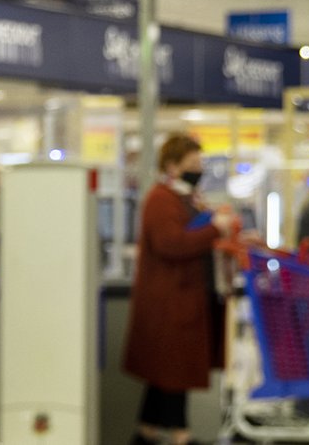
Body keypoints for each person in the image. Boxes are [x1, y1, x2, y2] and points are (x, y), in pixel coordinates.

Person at [124, 134, 239, 445]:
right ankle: (180, 436)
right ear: (172, 165)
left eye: (200, 163)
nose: (199, 169)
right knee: (174, 371)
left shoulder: (185, 198)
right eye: (193, 164)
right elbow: (170, 243)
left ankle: (146, 432)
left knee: (166, 374)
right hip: (169, 302)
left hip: (184, 298)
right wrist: (215, 229)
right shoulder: (161, 199)